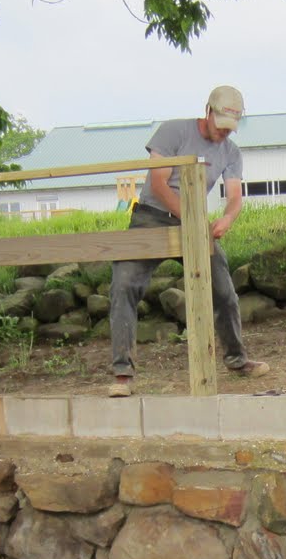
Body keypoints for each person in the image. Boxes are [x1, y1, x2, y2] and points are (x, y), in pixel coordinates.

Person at [107, 85, 269, 398]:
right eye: (220, 125)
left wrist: (227, 218)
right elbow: (159, 183)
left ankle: (237, 359)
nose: (224, 133)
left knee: (223, 290)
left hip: (194, 223)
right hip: (151, 218)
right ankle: (122, 373)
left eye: (230, 128)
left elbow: (235, 196)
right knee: (123, 285)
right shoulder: (172, 132)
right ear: (207, 111)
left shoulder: (231, 152)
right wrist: (193, 218)